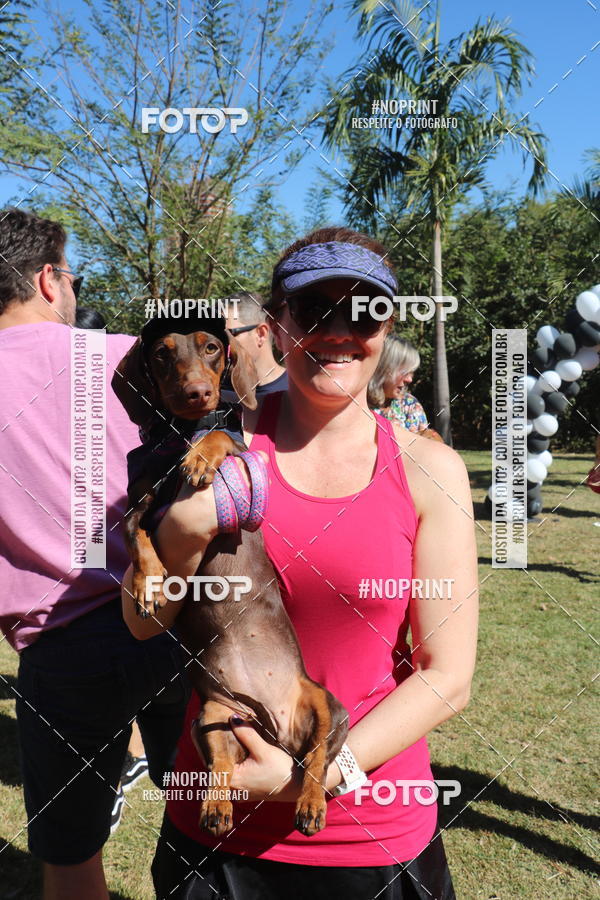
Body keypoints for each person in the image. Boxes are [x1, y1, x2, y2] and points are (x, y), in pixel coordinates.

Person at [122, 226, 478, 899]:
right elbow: (143, 624)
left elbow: (446, 677)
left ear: (389, 323)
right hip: (217, 830)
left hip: (375, 835)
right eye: (314, 311)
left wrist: (312, 776)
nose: (339, 331)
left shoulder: (430, 470)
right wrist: (185, 533)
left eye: (364, 312)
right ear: (275, 326)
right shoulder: (209, 447)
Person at [0, 209, 188, 900]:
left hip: (60, 645)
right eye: (71, 276)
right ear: (49, 280)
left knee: (71, 857)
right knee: (216, 823)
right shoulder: (134, 357)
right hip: (179, 618)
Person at [224, 290, 288, 398]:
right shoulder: (214, 394)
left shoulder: (303, 392)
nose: (221, 344)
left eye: (228, 335)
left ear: (260, 334)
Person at [368, 335, 430, 433]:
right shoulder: (355, 403)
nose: (410, 379)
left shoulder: (410, 404)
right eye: (404, 372)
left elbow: (424, 443)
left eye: (412, 372)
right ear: (384, 368)